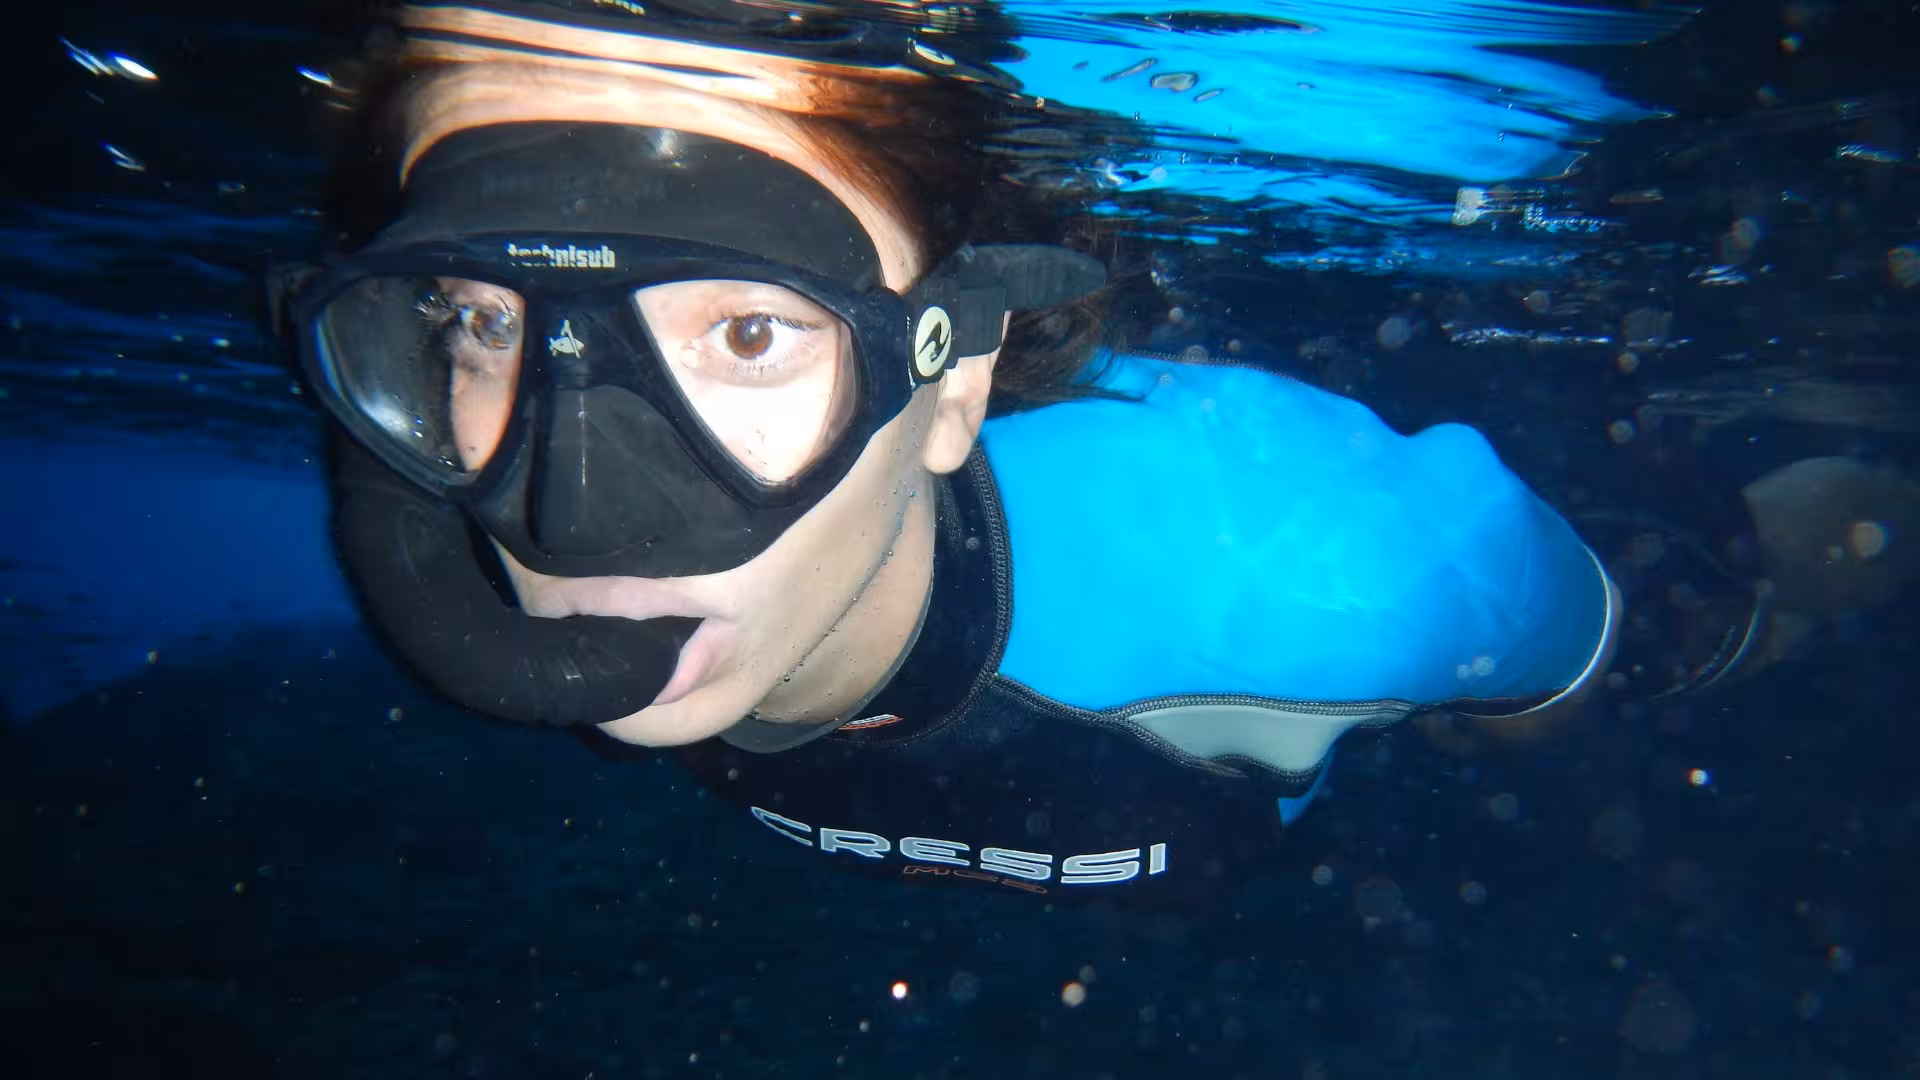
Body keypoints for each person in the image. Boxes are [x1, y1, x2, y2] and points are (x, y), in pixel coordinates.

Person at [277, 0, 1919, 900]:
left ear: (954, 377)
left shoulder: (1313, 569)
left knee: (1727, 613)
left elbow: (1566, 671)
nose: (582, 514)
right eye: (482, 325)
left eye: (752, 331)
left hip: (1465, 542)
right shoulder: (462, 497)